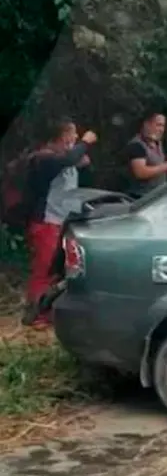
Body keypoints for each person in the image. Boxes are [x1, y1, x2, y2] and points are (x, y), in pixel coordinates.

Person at [23, 118, 97, 328]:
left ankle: (49, 310)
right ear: (61, 136)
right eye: (72, 133)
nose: (75, 137)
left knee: (59, 270)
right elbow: (66, 160)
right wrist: (86, 142)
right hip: (47, 221)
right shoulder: (43, 158)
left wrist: (85, 165)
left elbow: (82, 176)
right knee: (44, 269)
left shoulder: (67, 159)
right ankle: (36, 313)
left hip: (63, 220)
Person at [124, 111, 167, 198]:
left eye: (163, 126)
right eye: (158, 125)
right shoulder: (137, 146)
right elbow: (140, 172)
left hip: (159, 195)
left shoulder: (158, 143)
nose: (161, 129)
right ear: (146, 125)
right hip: (142, 197)